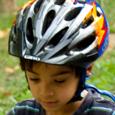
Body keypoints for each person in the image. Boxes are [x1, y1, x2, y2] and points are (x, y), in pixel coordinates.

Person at [7, 0, 115, 114]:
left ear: (87, 69)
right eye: (34, 79)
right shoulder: (22, 112)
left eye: (59, 81)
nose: (45, 92)